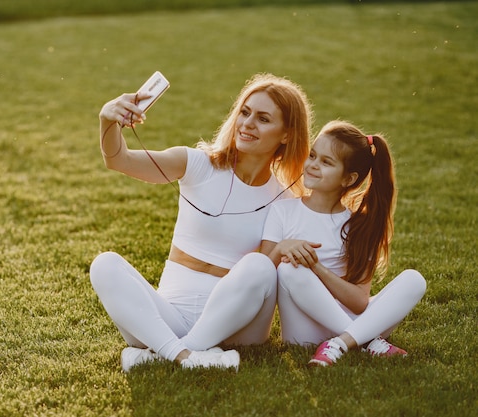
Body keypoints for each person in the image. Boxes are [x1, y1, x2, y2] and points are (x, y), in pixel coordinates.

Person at [90, 73, 312, 371]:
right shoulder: (197, 164)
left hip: (236, 327)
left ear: (286, 134)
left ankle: (165, 352)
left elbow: (263, 278)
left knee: (260, 266)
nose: (247, 123)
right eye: (244, 112)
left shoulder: (285, 200)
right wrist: (108, 119)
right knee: (104, 264)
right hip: (168, 316)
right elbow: (119, 160)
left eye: (263, 119)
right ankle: (187, 356)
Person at [260, 120, 427, 367]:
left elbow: (359, 301)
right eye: (313, 156)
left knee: (414, 280)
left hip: (352, 319)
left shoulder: (358, 225)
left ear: (348, 179)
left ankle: (341, 343)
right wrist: (282, 248)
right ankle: (366, 342)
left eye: (326, 162)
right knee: (289, 268)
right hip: (303, 332)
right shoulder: (282, 211)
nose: (313, 165)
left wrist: (317, 268)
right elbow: (261, 271)